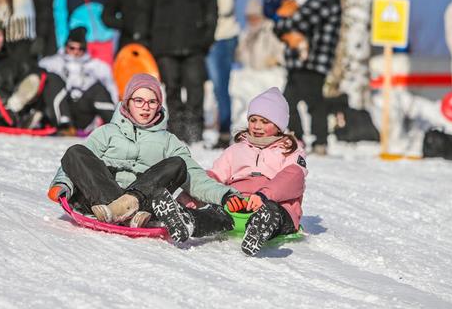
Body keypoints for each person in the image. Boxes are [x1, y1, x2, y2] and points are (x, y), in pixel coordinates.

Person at [46, 73, 236, 243]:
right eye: (138, 100)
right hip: (100, 199)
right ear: (127, 102)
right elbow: (79, 165)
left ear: (159, 106)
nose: (145, 107)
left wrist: (225, 195)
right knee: (75, 152)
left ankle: (129, 207)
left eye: (152, 102)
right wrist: (63, 184)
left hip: (144, 202)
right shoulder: (107, 132)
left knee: (177, 164)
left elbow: (195, 175)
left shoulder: (169, 141)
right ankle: (120, 210)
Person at [133, 0, 217, 143]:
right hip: (164, 45)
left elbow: (210, 6)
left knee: (195, 88)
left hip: (194, 44)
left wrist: (208, 36)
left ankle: (194, 131)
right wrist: (143, 41)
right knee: (172, 90)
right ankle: (177, 132)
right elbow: (144, 10)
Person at [208, 87, 307, 256]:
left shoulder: (290, 151)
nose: (257, 126)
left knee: (272, 212)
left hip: (273, 206)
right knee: (213, 209)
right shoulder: (236, 149)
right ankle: (190, 220)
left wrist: (263, 195)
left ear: (279, 125)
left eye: (265, 121)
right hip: (237, 207)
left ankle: (259, 229)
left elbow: (293, 178)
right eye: (253, 120)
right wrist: (223, 196)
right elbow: (215, 175)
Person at [274, 0, 341, 155]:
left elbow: (300, 20)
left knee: (309, 103)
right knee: (291, 102)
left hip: (310, 62)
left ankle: (314, 141)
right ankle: (302, 139)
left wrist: (280, 25)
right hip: (310, 62)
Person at [190, 0, 241, 148]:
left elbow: (224, 7)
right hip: (204, 38)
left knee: (220, 86)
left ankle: (223, 131)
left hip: (221, 37)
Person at [39, 27, 118, 134]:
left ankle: (116, 127)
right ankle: (64, 124)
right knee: (52, 79)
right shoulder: (51, 63)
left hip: (83, 113)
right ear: (66, 46)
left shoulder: (97, 66)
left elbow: (111, 89)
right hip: (59, 110)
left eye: (80, 49)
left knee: (97, 88)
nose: (75, 52)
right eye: (72, 48)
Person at [236, 0, 285, 70]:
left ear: (261, 16)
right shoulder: (245, 35)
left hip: (271, 75)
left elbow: (282, 50)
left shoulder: (271, 30)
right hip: (250, 76)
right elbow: (237, 56)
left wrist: (276, 60)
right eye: (249, 18)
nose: (253, 21)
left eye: (255, 17)